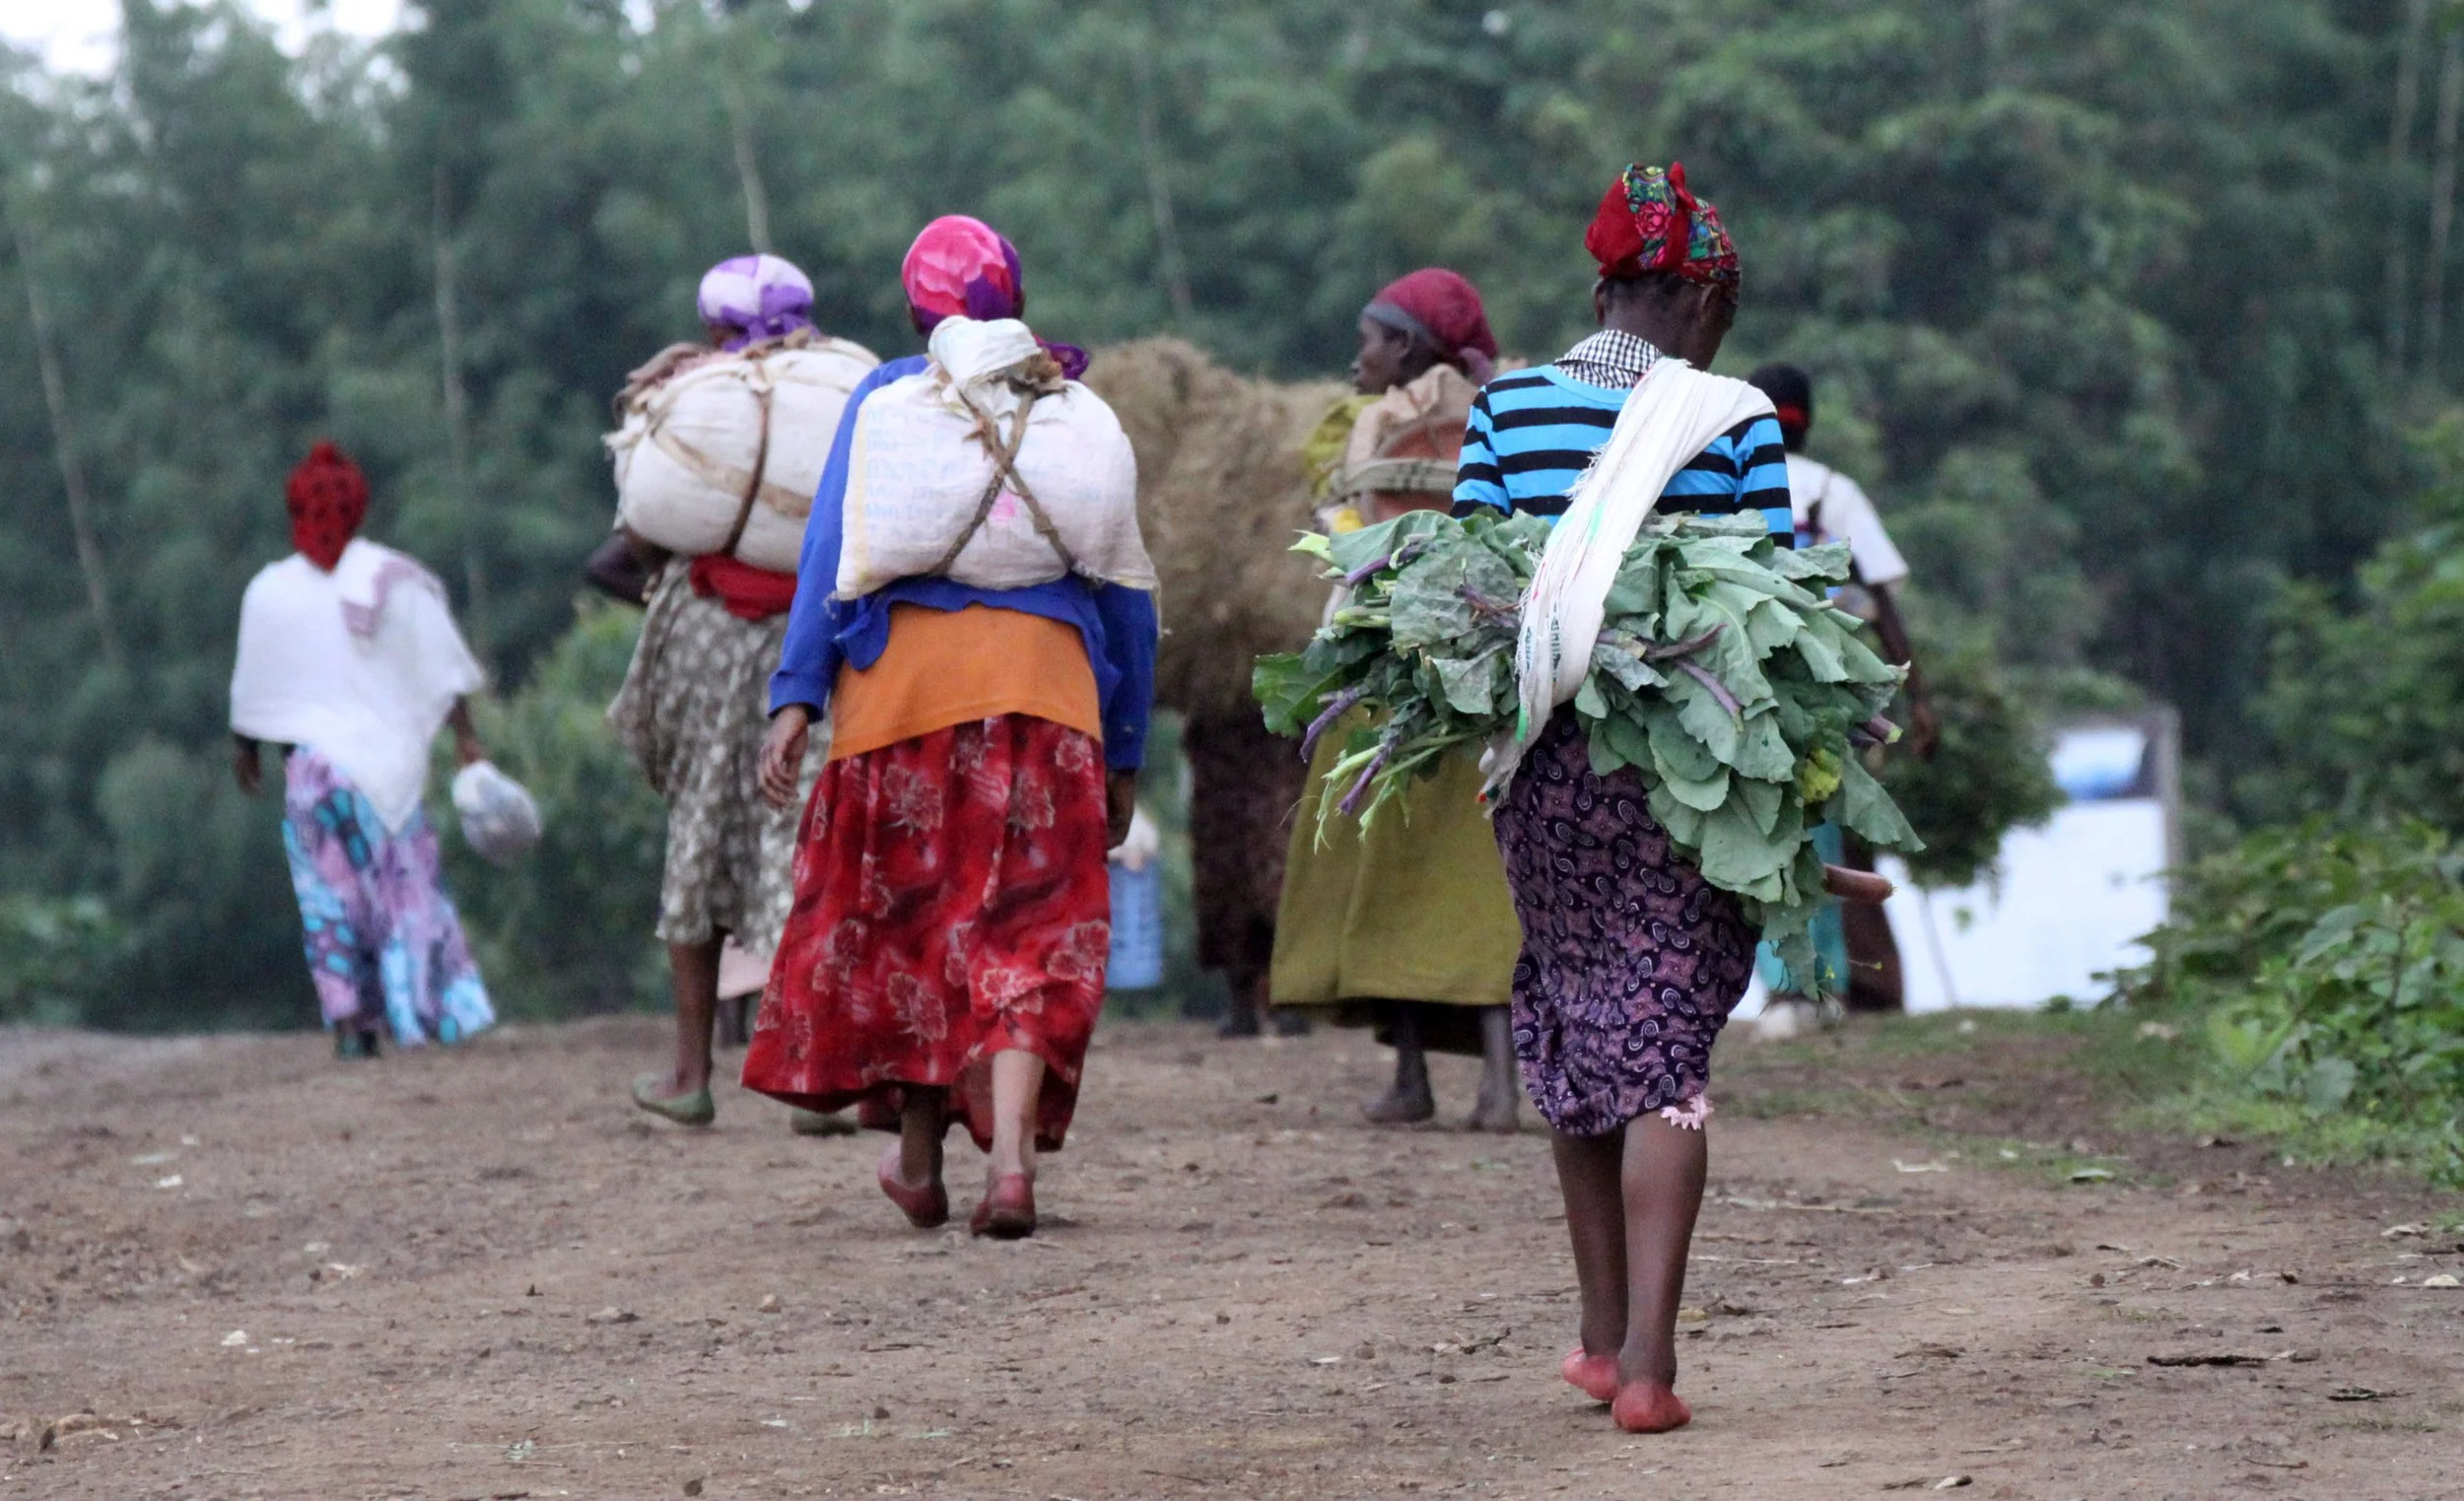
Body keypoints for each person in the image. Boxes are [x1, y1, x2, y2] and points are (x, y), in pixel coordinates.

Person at [1453, 163, 1786, 1433]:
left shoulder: (1511, 404)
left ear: (1601, 288)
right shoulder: (1734, 415)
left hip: (1544, 774)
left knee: (1582, 1016)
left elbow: (1472, 575)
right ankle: (1648, 1365)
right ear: (1698, 299)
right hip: (1686, 781)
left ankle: (1598, 1339)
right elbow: (1774, 600)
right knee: (1665, 1054)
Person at [745, 216, 1156, 1240]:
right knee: (1026, 931)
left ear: (911, 312)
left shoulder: (889, 398)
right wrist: (1128, 748)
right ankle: (1008, 1166)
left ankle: (921, 1159)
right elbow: (1126, 599)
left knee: (915, 925)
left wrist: (796, 695)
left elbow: (830, 548)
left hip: (901, 693)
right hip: (1048, 696)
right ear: (1015, 299)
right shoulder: (1061, 407)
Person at [1270, 267, 1525, 1129]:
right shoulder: (1505, 406)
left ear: (1407, 347)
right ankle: (1499, 1084)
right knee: (1483, 884)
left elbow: (1353, 550)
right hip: (1489, 671)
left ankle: (1411, 1077)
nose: (1358, 358)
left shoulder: (1380, 422)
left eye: (1369, 339)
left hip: (1393, 669)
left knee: (1383, 872)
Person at [611, 253, 857, 1129]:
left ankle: (689, 1072)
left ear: (717, 327)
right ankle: (817, 1079)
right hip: (818, 642)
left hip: (710, 636)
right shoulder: (844, 385)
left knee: (700, 830)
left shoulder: (700, 391)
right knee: (811, 843)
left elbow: (637, 529)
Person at [230, 442, 496, 1058]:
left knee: (329, 903)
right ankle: (417, 1018)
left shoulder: (268, 591)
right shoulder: (394, 579)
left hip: (308, 773)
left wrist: (245, 750)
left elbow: (255, 686)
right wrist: (465, 737)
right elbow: (444, 669)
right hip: (382, 771)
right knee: (402, 894)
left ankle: (353, 1028)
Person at [1745, 363, 1937, 1012]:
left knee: (1764, 830)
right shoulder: (1835, 491)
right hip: (1825, 691)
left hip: (1745, 687)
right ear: (1809, 420)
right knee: (1832, 832)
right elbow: (1880, 596)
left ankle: (1786, 986)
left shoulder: (1729, 482)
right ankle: (1843, 982)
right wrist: (1919, 698)